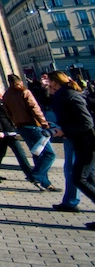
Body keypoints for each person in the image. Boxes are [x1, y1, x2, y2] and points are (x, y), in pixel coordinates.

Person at [41, 71, 95, 227]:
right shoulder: (64, 95)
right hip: (83, 142)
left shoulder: (71, 96)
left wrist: (64, 131)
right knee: (88, 178)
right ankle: (70, 202)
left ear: (55, 82)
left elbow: (86, 123)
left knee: (80, 179)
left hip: (88, 143)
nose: (46, 84)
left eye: (48, 82)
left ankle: (71, 202)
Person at [3, 74, 59, 191]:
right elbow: (35, 108)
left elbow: (8, 112)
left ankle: (45, 183)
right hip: (33, 125)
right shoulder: (24, 91)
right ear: (20, 82)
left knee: (37, 153)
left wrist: (15, 122)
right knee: (49, 154)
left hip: (21, 126)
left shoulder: (6, 95)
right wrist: (44, 123)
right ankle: (35, 176)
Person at [0, 80, 36, 185]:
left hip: (8, 129)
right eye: (0, 87)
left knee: (0, 153)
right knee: (19, 153)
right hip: (4, 130)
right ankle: (31, 175)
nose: (2, 89)